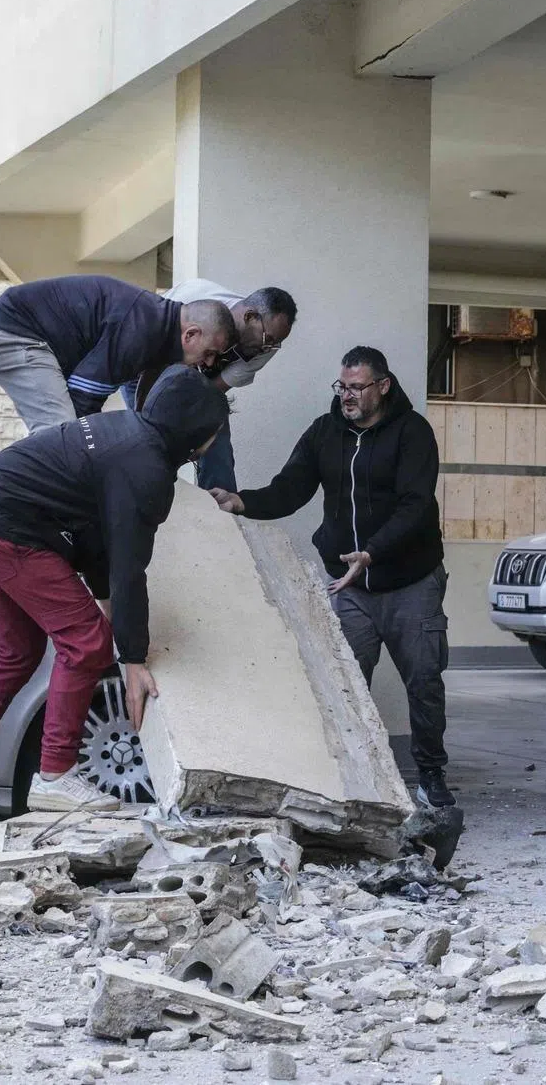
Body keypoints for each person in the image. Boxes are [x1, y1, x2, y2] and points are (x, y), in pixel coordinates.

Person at [0, 364, 230, 833]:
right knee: (86, 643)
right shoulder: (147, 471)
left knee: (17, 650)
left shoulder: (122, 432)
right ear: (197, 435)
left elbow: (96, 540)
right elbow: (129, 568)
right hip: (8, 526)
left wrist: (111, 613)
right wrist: (132, 658)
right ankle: (56, 775)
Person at [209, 345, 454, 808]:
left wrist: (373, 552)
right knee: (346, 683)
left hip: (410, 583)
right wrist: (243, 502)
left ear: (383, 386)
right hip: (350, 587)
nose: (347, 395)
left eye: (357, 387)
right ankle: (354, 779)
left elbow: (415, 505)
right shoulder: (326, 432)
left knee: (424, 682)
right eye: (342, 386)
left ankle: (430, 777)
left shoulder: (412, 433)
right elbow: (291, 487)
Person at [0, 275, 234, 434]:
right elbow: (83, 401)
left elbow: (145, 392)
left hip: (27, 334)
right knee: (63, 434)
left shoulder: (160, 328)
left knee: (65, 436)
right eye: (210, 352)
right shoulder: (141, 332)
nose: (210, 363)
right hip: (17, 334)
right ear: (190, 335)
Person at [121, 281, 298, 492]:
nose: (268, 348)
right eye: (267, 339)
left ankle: (221, 506)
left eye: (275, 343)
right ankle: (148, 488)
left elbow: (210, 393)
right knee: (152, 430)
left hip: (197, 380)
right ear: (249, 317)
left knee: (215, 432)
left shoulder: (267, 346)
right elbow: (150, 367)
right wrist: (144, 420)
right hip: (145, 366)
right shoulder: (188, 303)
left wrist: (199, 434)